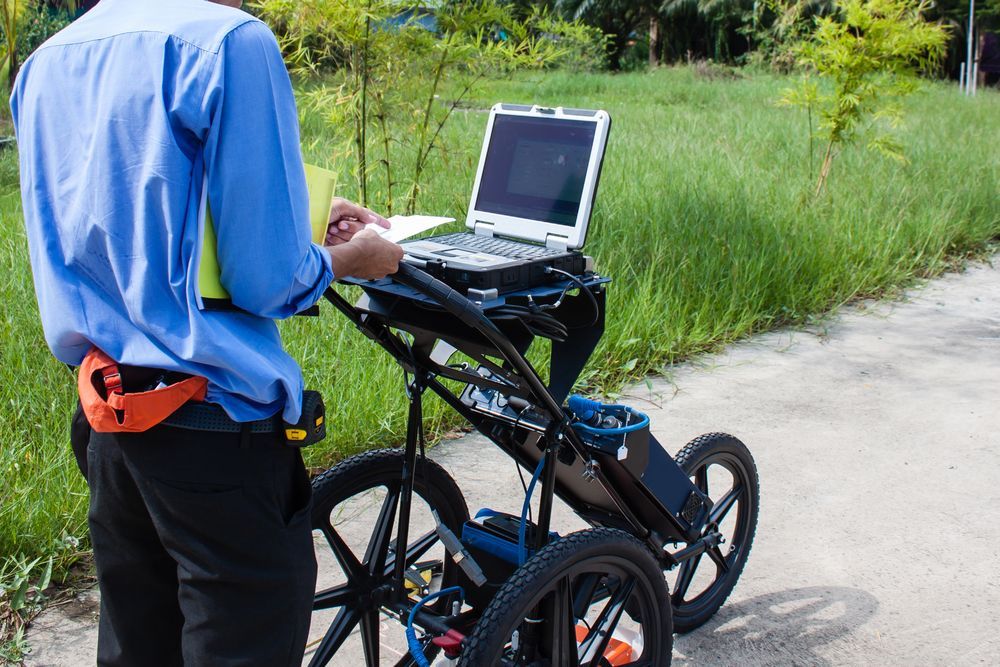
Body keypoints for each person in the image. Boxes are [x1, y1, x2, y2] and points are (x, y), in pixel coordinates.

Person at [10, 0, 403, 664]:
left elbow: (126, 216)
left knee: (141, 643)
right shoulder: (231, 44)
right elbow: (264, 280)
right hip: (214, 430)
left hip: (110, 422)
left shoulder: (47, 61)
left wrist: (295, 217)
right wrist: (352, 259)